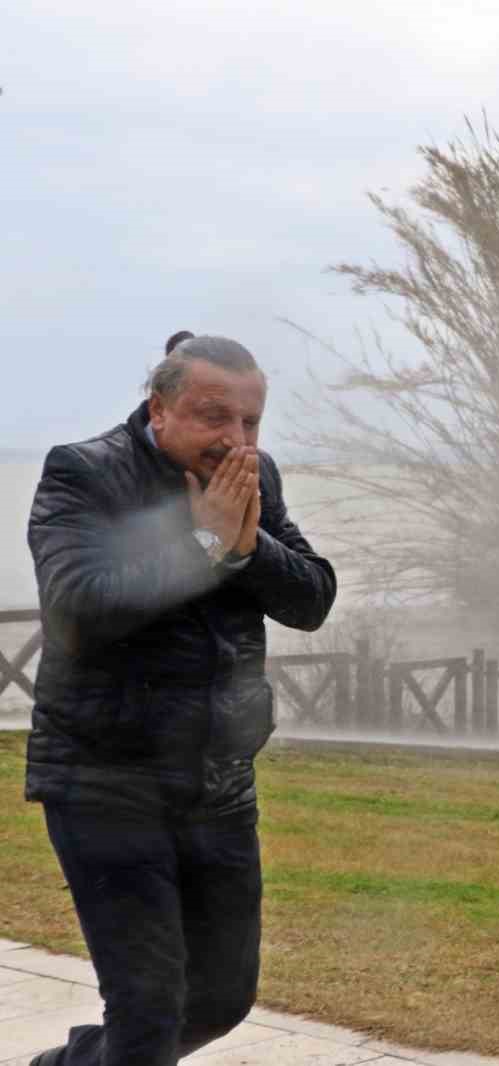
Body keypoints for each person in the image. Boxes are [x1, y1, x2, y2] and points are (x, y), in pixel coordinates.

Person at [25, 332, 336, 1066]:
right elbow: (78, 611)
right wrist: (203, 545)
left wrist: (246, 547)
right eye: (213, 416)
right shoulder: (84, 473)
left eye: (250, 421)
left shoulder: (253, 478)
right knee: (149, 1010)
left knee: (220, 1000)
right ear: (159, 409)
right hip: (105, 780)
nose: (235, 440)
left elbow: (313, 599)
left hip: (219, 784)